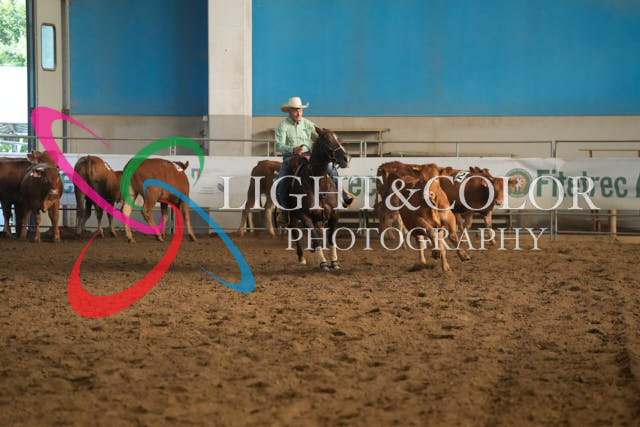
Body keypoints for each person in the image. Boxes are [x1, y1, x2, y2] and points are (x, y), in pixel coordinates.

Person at [275, 97, 353, 224]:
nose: (298, 113)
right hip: (291, 157)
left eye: (300, 110)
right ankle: (284, 211)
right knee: (282, 180)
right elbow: (279, 145)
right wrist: (292, 149)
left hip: (309, 156)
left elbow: (321, 137)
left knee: (331, 169)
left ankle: (343, 195)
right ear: (289, 111)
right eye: (295, 110)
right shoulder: (283, 126)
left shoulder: (308, 124)